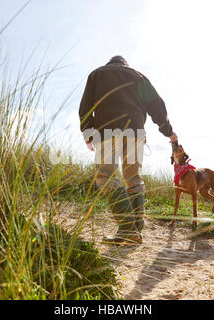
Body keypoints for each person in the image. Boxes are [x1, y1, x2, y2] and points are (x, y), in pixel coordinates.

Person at [79, 55, 177, 245]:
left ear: (110, 64)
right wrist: (168, 131)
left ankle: (127, 229)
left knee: (105, 175)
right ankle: (135, 229)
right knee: (134, 179)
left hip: (107, 130)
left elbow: (85, 107)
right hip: (135, 133)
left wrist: (88, 133)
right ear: (126, 65)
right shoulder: (138, 76)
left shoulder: (97, 75)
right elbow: (157, 106)